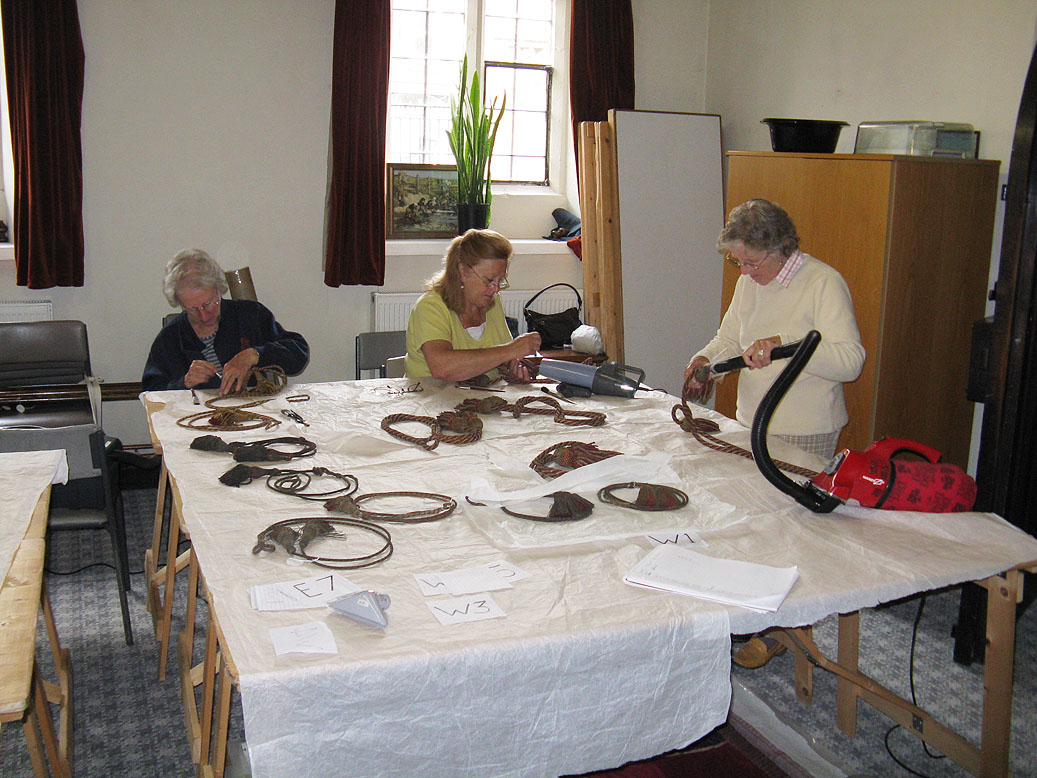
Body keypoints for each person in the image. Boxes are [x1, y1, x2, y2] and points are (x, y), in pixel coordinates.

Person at [683, 198, 865, 668]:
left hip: (804, 431)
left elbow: (850, 360)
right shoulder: (750, 282)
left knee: (797, 538)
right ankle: (759, 617)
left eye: (752, 261)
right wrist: (706, 361)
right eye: (736, 261)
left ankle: (791, 628)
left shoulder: (823, 282)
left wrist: (788, 348)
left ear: (781, 247)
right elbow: (730, 339)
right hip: (751, 423)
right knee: (754, 529)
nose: (744, 270)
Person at [142, 249, 309, 394]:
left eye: (208, 304)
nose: (204, 316)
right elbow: (150, 392)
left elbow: (299, 354)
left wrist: (255, 354)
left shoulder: (249, 315)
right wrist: (184, 383)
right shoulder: (170, 337)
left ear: (218, 290)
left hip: (255, 416)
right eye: (192, 309)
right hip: (198, 423)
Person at [404, 229, 541, 382]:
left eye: (500, 280)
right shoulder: (430, 306)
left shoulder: (492, 302)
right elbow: (442, 368)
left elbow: (502, 362)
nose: (495, 288)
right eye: (489, 280)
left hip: (479, 398)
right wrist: (511, 350)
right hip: (428, 401)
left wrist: (514, 370)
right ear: (462, 271)